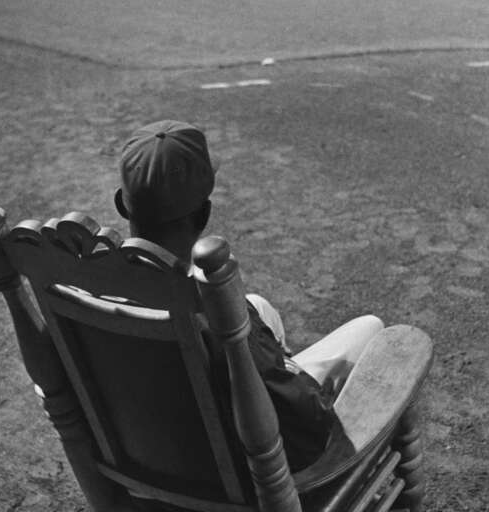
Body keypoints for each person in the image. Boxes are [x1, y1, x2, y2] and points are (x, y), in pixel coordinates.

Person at [114, 120, 384, 472]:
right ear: (205, 214)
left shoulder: (84, 287)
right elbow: (306, 419)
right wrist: (300, 382)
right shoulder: (208, 304)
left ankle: (276, 359)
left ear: (122, 205)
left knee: (260, 308)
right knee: (371, 328)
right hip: (242, 475)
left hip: (157, 457)